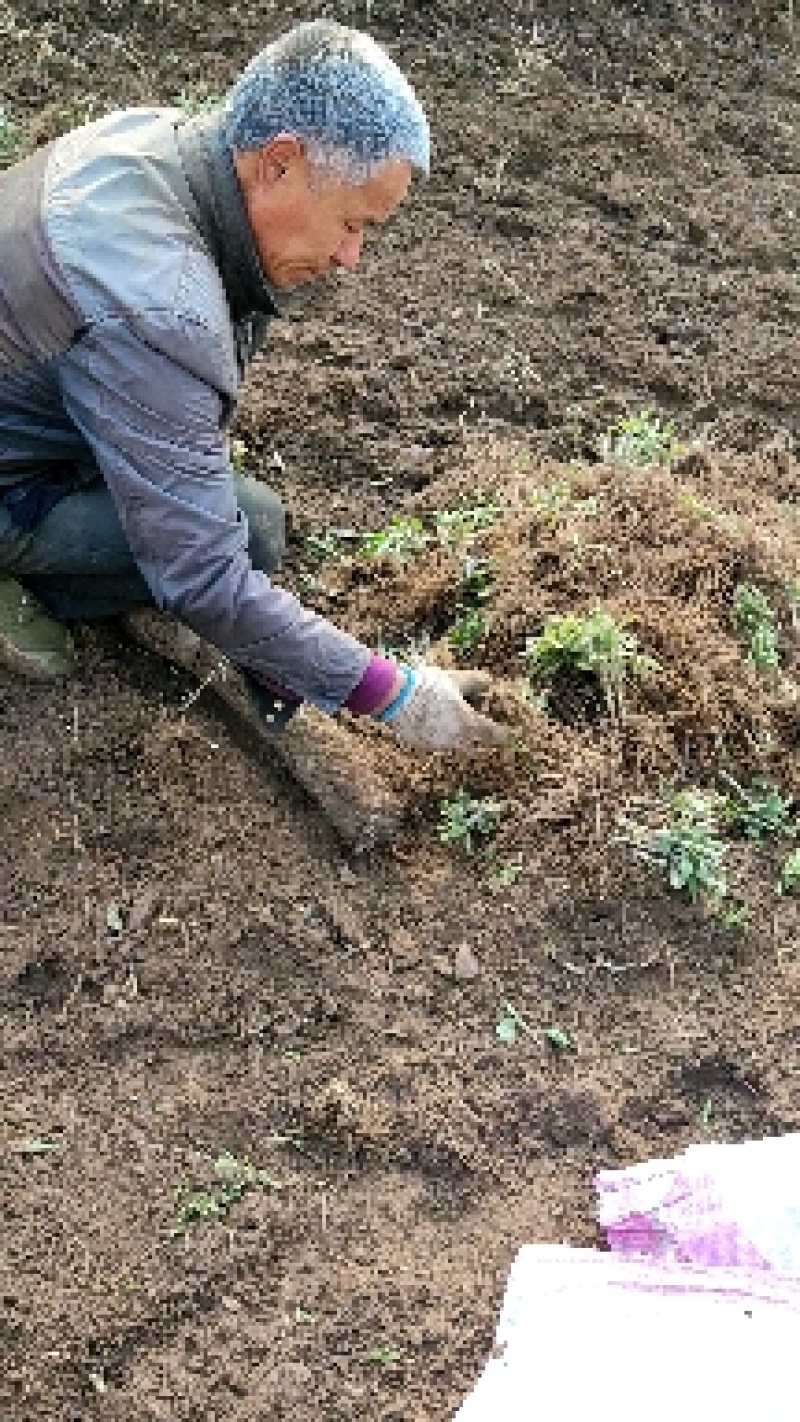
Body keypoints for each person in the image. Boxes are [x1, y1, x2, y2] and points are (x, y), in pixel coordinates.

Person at [0, 19, 507, 753]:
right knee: (252, 530)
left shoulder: (159, 147)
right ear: (280, 163)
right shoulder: (158, 307)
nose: (351, 256)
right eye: (350, 222)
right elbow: (203, 578)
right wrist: (394, 694)